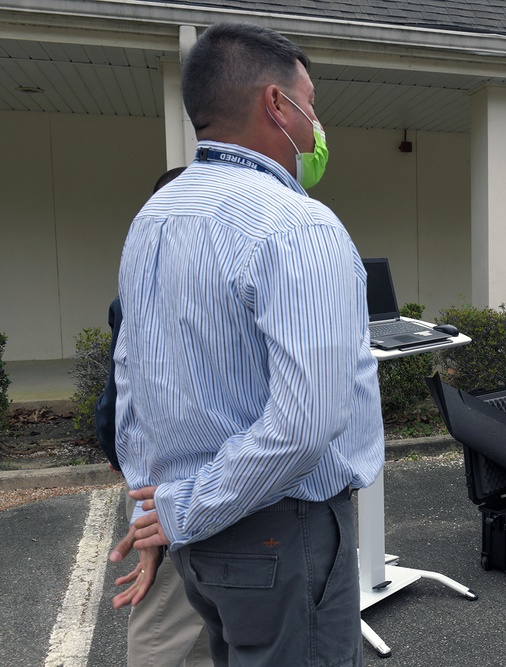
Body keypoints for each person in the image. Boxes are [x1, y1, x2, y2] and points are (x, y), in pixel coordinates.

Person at [111, 22, 383, 666]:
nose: (315, 123)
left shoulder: (154, 217)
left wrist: (157, 506)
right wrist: (183, 511)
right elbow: (305, 424)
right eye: (310, 104)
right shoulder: (298, 224)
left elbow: (133, 380)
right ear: (276, 104)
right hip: (279, 530)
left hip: (198, 542)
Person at [96, 166, 212, 667]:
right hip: (167, 488)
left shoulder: (146, 291)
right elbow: (130, 396)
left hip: (183, 487)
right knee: (162, 619)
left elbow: (115, 399)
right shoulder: (169, 298)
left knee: (203, 618)